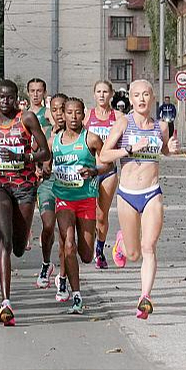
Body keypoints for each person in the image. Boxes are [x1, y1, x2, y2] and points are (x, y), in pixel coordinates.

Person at [100, 79, 181, 318]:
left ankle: (144, 297)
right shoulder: (123, 123)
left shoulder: (162, 127)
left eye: (146, 95)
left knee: (149, 247)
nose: (142, 99)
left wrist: (172, 149)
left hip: (152, 193)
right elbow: (104, 154)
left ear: (153, 98)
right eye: (137, 95)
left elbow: (164, 150)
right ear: (131, 99)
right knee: (133, 253)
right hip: (127, 194)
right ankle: (121, 243)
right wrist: (129, 150)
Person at [0, 79, 50, 326]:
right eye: (1, 97)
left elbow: (45, 153)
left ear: (16, 97)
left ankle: (19, 241)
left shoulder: (26, 119)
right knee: (4, 241)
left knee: (18, 245)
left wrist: (23, 155)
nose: (5, 102)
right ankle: (5, 302)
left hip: (25, 187)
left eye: (9, 97)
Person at [52, 97, 105, 314]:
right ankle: (76, 295)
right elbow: (44, 162)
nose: (73, 117)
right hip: (63, 198)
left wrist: (94, 171)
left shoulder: (91, 139)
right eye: (69, 113)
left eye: (78, 113)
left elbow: (107, 162)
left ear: (84, 115)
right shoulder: (54, 141)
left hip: (86, 200)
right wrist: (42, 170)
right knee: (69, 244)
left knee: (86, 255)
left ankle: (67, 273)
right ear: (62, 115)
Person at [86, 80, 125, 270]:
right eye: (98, 91)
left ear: (111, 95)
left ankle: (99, 250)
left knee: (101, 215)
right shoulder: (87, 116)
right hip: (88, 171)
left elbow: (127, 143)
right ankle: (88, 245)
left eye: (105, 92)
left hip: (108, 171)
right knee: (89, 215)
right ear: (94, 94)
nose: (101, 95)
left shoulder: (118, 117)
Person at [35, 93, 68, 292]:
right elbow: (37, 158)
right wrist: (40, 168)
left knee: (66, 235)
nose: (59, 114)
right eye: (54, 109)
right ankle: (46, 263)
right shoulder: (44, 133)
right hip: (47, 185)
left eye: (62, 109)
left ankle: (63, 277)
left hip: (69, 187)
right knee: (48, 226)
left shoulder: (79, 134)